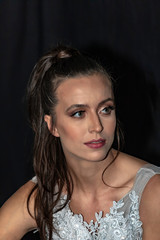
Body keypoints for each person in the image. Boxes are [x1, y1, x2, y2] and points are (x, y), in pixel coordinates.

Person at [0, 45, 160, 240]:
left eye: (105, 109)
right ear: (53, 126)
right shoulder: (43, 196)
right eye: (78, 113)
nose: (97, 126)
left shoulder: (152, 192)